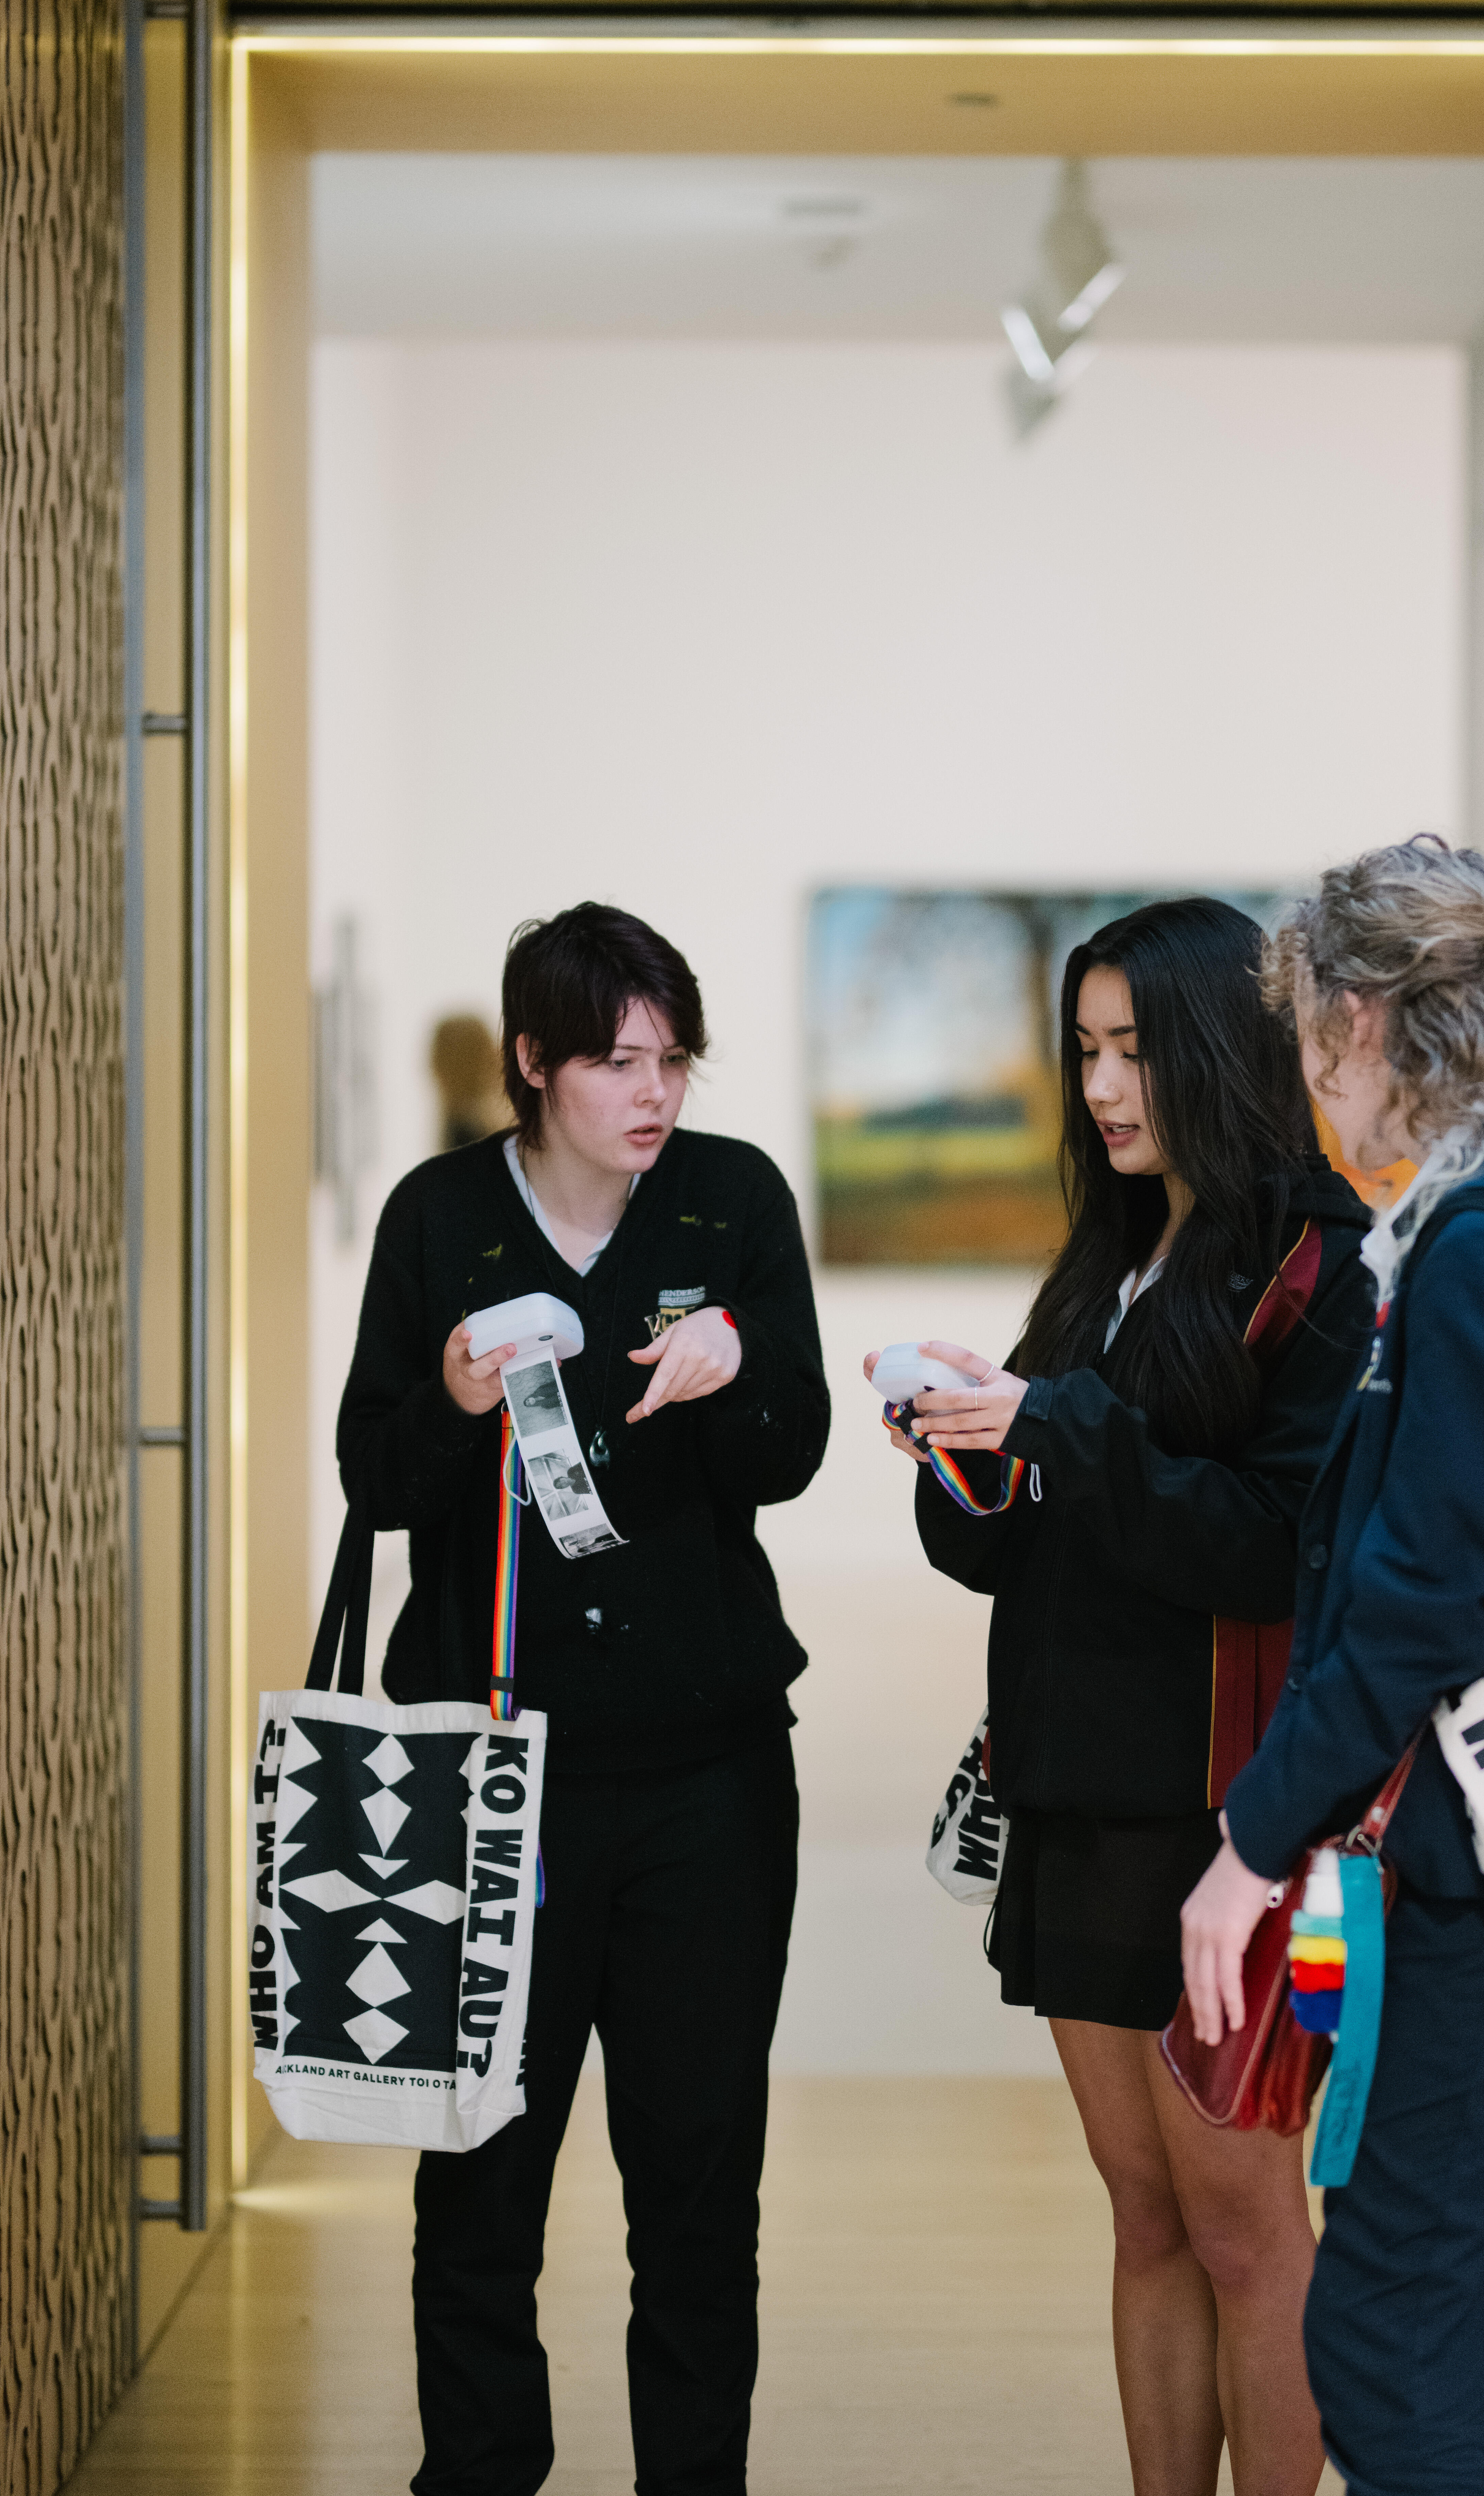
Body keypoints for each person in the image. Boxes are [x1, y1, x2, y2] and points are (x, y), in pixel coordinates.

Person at [1179, 838, 1484, 2496]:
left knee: (1384, 2348)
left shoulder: (1477, 1240)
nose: (1314, 1082)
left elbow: (1422, 1588)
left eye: (1314, 1040)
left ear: (1367, 1022)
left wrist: (1250, 1841)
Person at [873, 896, 1371, 2496]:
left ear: (1217, 1045)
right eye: (1083, 1049)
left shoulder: (1316, 1261)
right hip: (1074, 1794)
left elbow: (1270, 1549)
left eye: (1133, 1047)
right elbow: (1017, 1543)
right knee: (1142, 2212)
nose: (1101, 1086)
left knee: (1240, 2225)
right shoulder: (1111, 1249)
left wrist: (1057, 1432)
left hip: (1225, 1818)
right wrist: (967, 1461)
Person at [338, 902, 830, 2496]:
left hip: (707, 1778)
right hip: (488, 1773)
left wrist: (734, 1364)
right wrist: (455, 1398)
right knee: (479, 2175)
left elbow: (791, 1447)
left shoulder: (732, 1200)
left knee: (695, 2188)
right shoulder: (436, 1221)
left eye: (673, 1055)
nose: (654, 1091)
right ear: (533, 1063)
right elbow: (374, 1476)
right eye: (619, 1059)